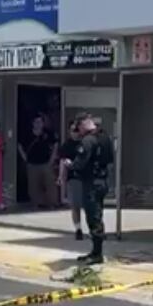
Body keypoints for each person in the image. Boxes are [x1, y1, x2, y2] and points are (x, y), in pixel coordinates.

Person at [64, 113, 114, 264]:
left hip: (91, 183)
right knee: (98, 214)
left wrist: (70, 164)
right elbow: (110, 158)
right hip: (103, 181)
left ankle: (97, 254)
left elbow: (80, 163)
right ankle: (95, 251)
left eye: (79, 128)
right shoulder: (105, 137)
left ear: (84, 124)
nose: (79, 131)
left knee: (93, 217)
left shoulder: (88, 141)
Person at [18, 115, 57, 209]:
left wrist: (52, 159)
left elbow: (55, 144)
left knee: (50, 184)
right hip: (32, 163)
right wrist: (25, 158)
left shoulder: (48, 133)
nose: (38, 124)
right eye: (36, 122)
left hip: (46, 163)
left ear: (43, 123)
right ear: (33, 123)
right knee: (33, 186)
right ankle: (35, 203)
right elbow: (19, 145)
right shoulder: (27, 134)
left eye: (40, 122)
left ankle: (51, 203)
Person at [57, 121, 85, 240]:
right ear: (69, 131)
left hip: (85, 178)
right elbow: (62, 162)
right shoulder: (66, 145)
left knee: (88, 206)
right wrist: (60, 177)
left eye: (77, 130)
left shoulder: (85, 143)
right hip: (73, 178)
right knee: (75, 206)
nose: (75, 133)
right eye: (73, 130)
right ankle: (78, 229)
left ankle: (95, 229)